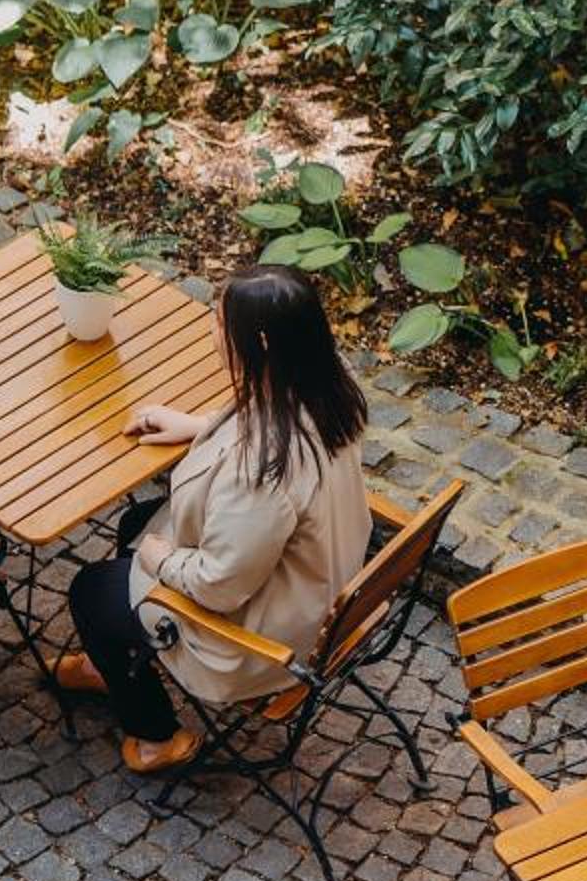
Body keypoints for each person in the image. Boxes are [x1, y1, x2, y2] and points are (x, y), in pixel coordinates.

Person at [54, 266, 372, 773]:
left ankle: (157, 738)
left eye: (220, 324)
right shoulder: (332, 384)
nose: (212, 330)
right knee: (136, 523)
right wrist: (200, 425)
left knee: (92, 590)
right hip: (322, 578)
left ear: (260, 343)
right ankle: (112, 660)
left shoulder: (261, 472)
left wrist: (161, 560)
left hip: (264, 638)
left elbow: (220, 586)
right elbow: (266, 424)